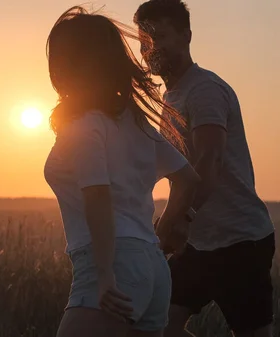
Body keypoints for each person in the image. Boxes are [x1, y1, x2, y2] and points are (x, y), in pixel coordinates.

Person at [44, 6, 200, 337]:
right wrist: (160, 237)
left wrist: (104, 276)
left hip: (111, 266)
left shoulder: (84, 125)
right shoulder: (136, 122)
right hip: (153, 269)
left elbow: (97, 195)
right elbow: (187, 180)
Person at [133, 1, 276, 337]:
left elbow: (208, 160)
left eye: (159, 37)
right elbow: (177, 170)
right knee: (158, 326)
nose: (149, 49)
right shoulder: (171, 97)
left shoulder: (204, 90)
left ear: (187, 35)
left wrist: (180, 218)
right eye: (143, 42)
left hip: (240, 240)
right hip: (199, 244)